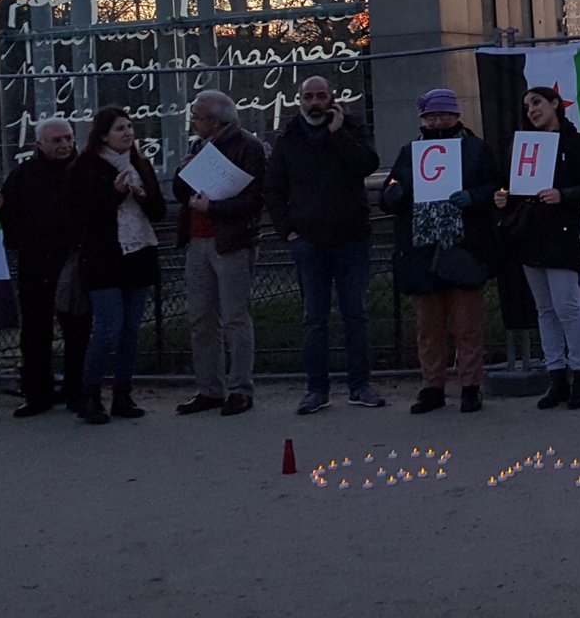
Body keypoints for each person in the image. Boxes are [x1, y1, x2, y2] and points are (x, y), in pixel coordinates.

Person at [266, 76, 385, 414]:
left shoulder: (351, 129)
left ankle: (359, 385)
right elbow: (273, 189)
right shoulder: (288, 139)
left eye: (320, 96)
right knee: (314, 319)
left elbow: (367, 165)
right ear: (299, 101)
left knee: (355, 315)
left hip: (351, 238)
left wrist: (339, 132)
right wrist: (287, 230)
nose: (314, 102)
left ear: (332, 99)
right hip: (309, 242)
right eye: (308, 97)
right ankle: (317, 389)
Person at [379, 88, 501, 414]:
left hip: (464, 248)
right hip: (422, 251)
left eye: (443, 114)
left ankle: (470, 386)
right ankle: (432, 386)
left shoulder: (476, 150)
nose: (437, 120)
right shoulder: (409, 152)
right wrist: (395, 194)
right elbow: (389, 191)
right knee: (428, 328)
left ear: (456, 116)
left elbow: (495, 186)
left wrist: (473, 197)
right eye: (431, 116)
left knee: (467, 325)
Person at [493, 86, 580, 410]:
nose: (531, 109)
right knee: (544, 309)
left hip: (562, 234)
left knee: (567, 307)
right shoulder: (524, 145)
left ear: (556, 104)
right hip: (531, 235)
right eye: (527, 105)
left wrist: (564, 195)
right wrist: (504, 198)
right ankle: (556, 375)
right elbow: (515, 188)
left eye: (537, 102)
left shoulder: (575, 143)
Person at [171, 89, 268, 418]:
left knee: (234, 317)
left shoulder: (248, 146)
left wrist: (215, 207)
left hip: (231, 242)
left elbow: (255, 198)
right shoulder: (199, 146)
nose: (194, 122)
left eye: (198, 116)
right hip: (197, 241)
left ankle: (241, 388)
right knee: (201, 318)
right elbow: (181, 192)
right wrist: (184, 172)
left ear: (214, 120)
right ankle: (209, 388)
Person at [67, 106, 166, 425]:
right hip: (103, 258)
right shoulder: (85, 167)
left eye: (130, 126)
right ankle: (90, 394)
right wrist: (113, 194)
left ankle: (123, 393)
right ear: (104, 134)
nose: (128, 132)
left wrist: (141, 195)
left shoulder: (141, 164)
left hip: (138, 254)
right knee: (108, 327)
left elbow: (159, 211)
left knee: (131, 329)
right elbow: (81, 216)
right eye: (120, 128)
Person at [0, 118, 90, 418]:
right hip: (35, 263)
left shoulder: (84, 171)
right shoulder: (23, 175)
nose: (64, 145)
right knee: (35, 331)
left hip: (74, 264)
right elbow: (7, 220)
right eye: (56, 140)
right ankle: (37, 393)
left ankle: (78, 391)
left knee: (77, 330)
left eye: (68, 138)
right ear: (39, 145)